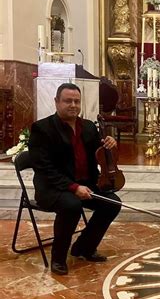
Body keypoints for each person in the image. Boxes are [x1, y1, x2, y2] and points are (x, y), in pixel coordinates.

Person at [28, 83, 121, 275]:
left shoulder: (87, 126)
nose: (73, 105)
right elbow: (44, 169)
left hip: (84, 183)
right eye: (67, 101)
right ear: (56, 102)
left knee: (112, 203)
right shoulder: (41, 129)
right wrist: (73, 187)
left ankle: (83, 248)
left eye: (77, 101)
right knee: (71, 205)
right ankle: (58, 258)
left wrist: (109, 144)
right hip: (52, 188)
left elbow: (99, 152)